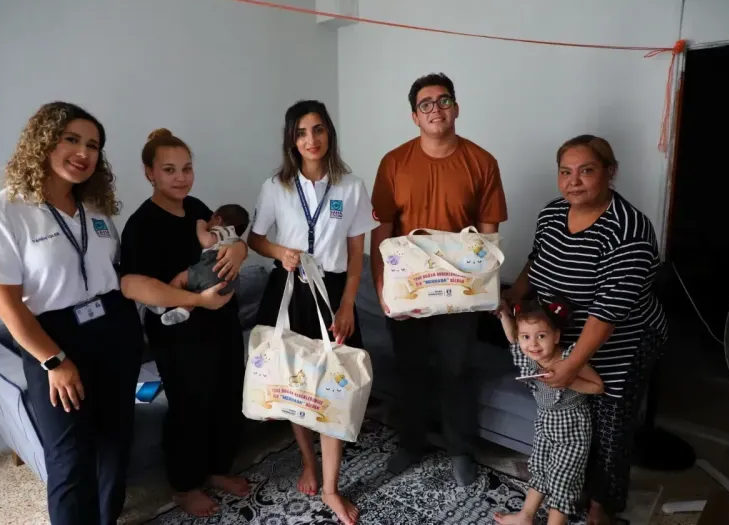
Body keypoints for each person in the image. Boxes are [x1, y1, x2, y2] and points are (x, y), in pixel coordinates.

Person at [0, 101, 144, 525]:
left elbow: (116, 275)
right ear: (43, 141)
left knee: (115, 443)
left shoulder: (95, 209)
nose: (84, 152)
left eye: (93, 145)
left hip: (115, 329)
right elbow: (5, 303)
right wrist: (54, 361)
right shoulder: (0, 211)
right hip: (55, 339)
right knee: (69, 460)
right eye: (72, 139)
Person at [503, 134, 668, 525]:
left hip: (623, 341)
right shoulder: (551, 214)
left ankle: (601, 507)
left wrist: (572, 364)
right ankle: (568, 488)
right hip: (563, 337)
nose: (573, 181)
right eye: (565, 172)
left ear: (610, 172)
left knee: (610, 426)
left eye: (586, 171)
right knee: (574, 421)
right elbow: (536, 261)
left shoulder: (628, 230)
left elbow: (606, 315)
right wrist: (515, 295)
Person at [370, 72, 508, 486]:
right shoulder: (393, 163)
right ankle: (411, 443)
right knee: (410, 370)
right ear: (415, 116)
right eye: (426, 104)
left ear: (456, 108)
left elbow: (488, 236)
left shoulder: (482, 162)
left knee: (456, 372)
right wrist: (382, 289)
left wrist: (488, 292)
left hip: (460, 292)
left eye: (444, 100)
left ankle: (460, 448)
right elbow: (382, 231)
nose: (436, 109)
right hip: (409, 290)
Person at [250, 100, 378, 525]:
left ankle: (331, 488)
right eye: (302, 132)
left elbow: (357, 252)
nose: (311, 139)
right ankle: (308, 461)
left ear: (329, 134)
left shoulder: (352, 186)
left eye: (318, 129)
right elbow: (255, 239)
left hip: (333, 293)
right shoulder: (275, 186)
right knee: (295, 384)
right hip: (289, 291)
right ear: (292, 139)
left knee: (332, 388)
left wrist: (348, 304)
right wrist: (279, 251)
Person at [118, 128, 250, 518]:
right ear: (149, 173)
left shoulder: (196, 208)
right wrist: (196, 301)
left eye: (187, 168)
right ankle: (184, 485)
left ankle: (217, 468)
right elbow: (139, 288)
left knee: (227, 395)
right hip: (178, 332)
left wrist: (239, 250)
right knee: (190, 406)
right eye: (169, 169)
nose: (180, 177)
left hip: (221, 321)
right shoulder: (141, 225)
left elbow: (226, 240)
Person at [494, 299, 604, 525]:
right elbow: (513, 338)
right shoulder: (529, 357)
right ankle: (526, 516)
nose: (533, 344)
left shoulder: (569, 359)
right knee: (540, 467)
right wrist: (504, 315)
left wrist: (567, 380)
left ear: (556, 336)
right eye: (526, 337)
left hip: (572, 427)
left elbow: (597, 387)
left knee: (563, 479)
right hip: (545, 421)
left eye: (541, 336)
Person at [147, 203, 250, 325]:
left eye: (211, 219)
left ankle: (161, 302)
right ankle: (182, 311)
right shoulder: (234, 238)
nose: (208, 221)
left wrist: (200, 227)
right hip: (228, 282)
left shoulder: (222, 230)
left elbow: (207, 242)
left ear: (218, 220)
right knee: (197, 293)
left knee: (181, 279)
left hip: (211, 267)